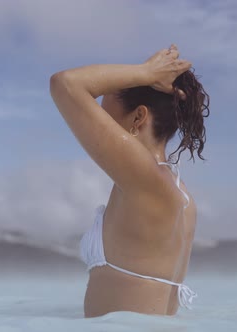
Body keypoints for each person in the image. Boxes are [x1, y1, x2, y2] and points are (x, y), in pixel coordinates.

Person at [50, 44, 208, 317]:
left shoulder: (147, 179)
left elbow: (65, 84)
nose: (96, 120)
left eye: (104, 110)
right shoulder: (181, 196)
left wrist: (144, 73)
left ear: (138, 117)